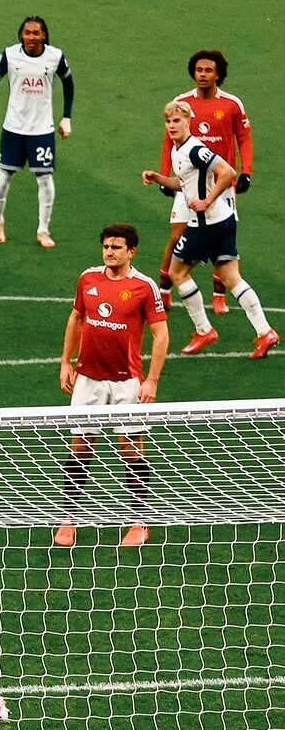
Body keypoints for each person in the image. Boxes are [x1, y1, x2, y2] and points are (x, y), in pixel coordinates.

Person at [55, 224, 169, 548]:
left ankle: (139, 522)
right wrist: (66, 360)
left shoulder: (144, 287)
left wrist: (152, 380)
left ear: (131, 251)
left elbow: (161, 335)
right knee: (80, 447)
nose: (109, 252)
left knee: (130, 447)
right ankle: (68, 520)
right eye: (106, 246)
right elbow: (76, 318)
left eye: (117, 247)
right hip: (88, 378)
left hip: (126, 382)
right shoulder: (88, 279)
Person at [142, 102, 277, 359]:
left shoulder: (194, 149)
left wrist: (207, 201)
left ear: (188, 122)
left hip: (206, 223)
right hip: (223, 220)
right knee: (231, 277)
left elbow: (227, 172)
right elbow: (184, 184)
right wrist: (158, 177)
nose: (172, 126)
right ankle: (265, 332)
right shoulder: (177, 150)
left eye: (177, 121)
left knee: (176, 272)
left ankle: (204, 330)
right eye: (168, 122)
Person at [155, 50, 253, 313]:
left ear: (218, 74)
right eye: (199, 70)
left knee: (222, 242)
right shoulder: (182, 103)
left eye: (209, 70)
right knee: (177, 235)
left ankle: (219, 295)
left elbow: (243, 138)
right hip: (187, 183)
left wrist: (247, 171)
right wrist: (165, 175)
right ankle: (164, 289)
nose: (203, 75)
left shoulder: (232, 104)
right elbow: (169, 141)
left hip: (220, 186)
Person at [0, 16, 74, 249]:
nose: (31, 37)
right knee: (4, 176)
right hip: (13, 128)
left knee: (45, 179)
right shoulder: (10, 55)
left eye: (36, 33)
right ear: (21, 35)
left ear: (44, 35)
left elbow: (68, 83)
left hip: (42, 131)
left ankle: (43, 230)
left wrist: (66, 117)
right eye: (27, 33)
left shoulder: (55, 57)